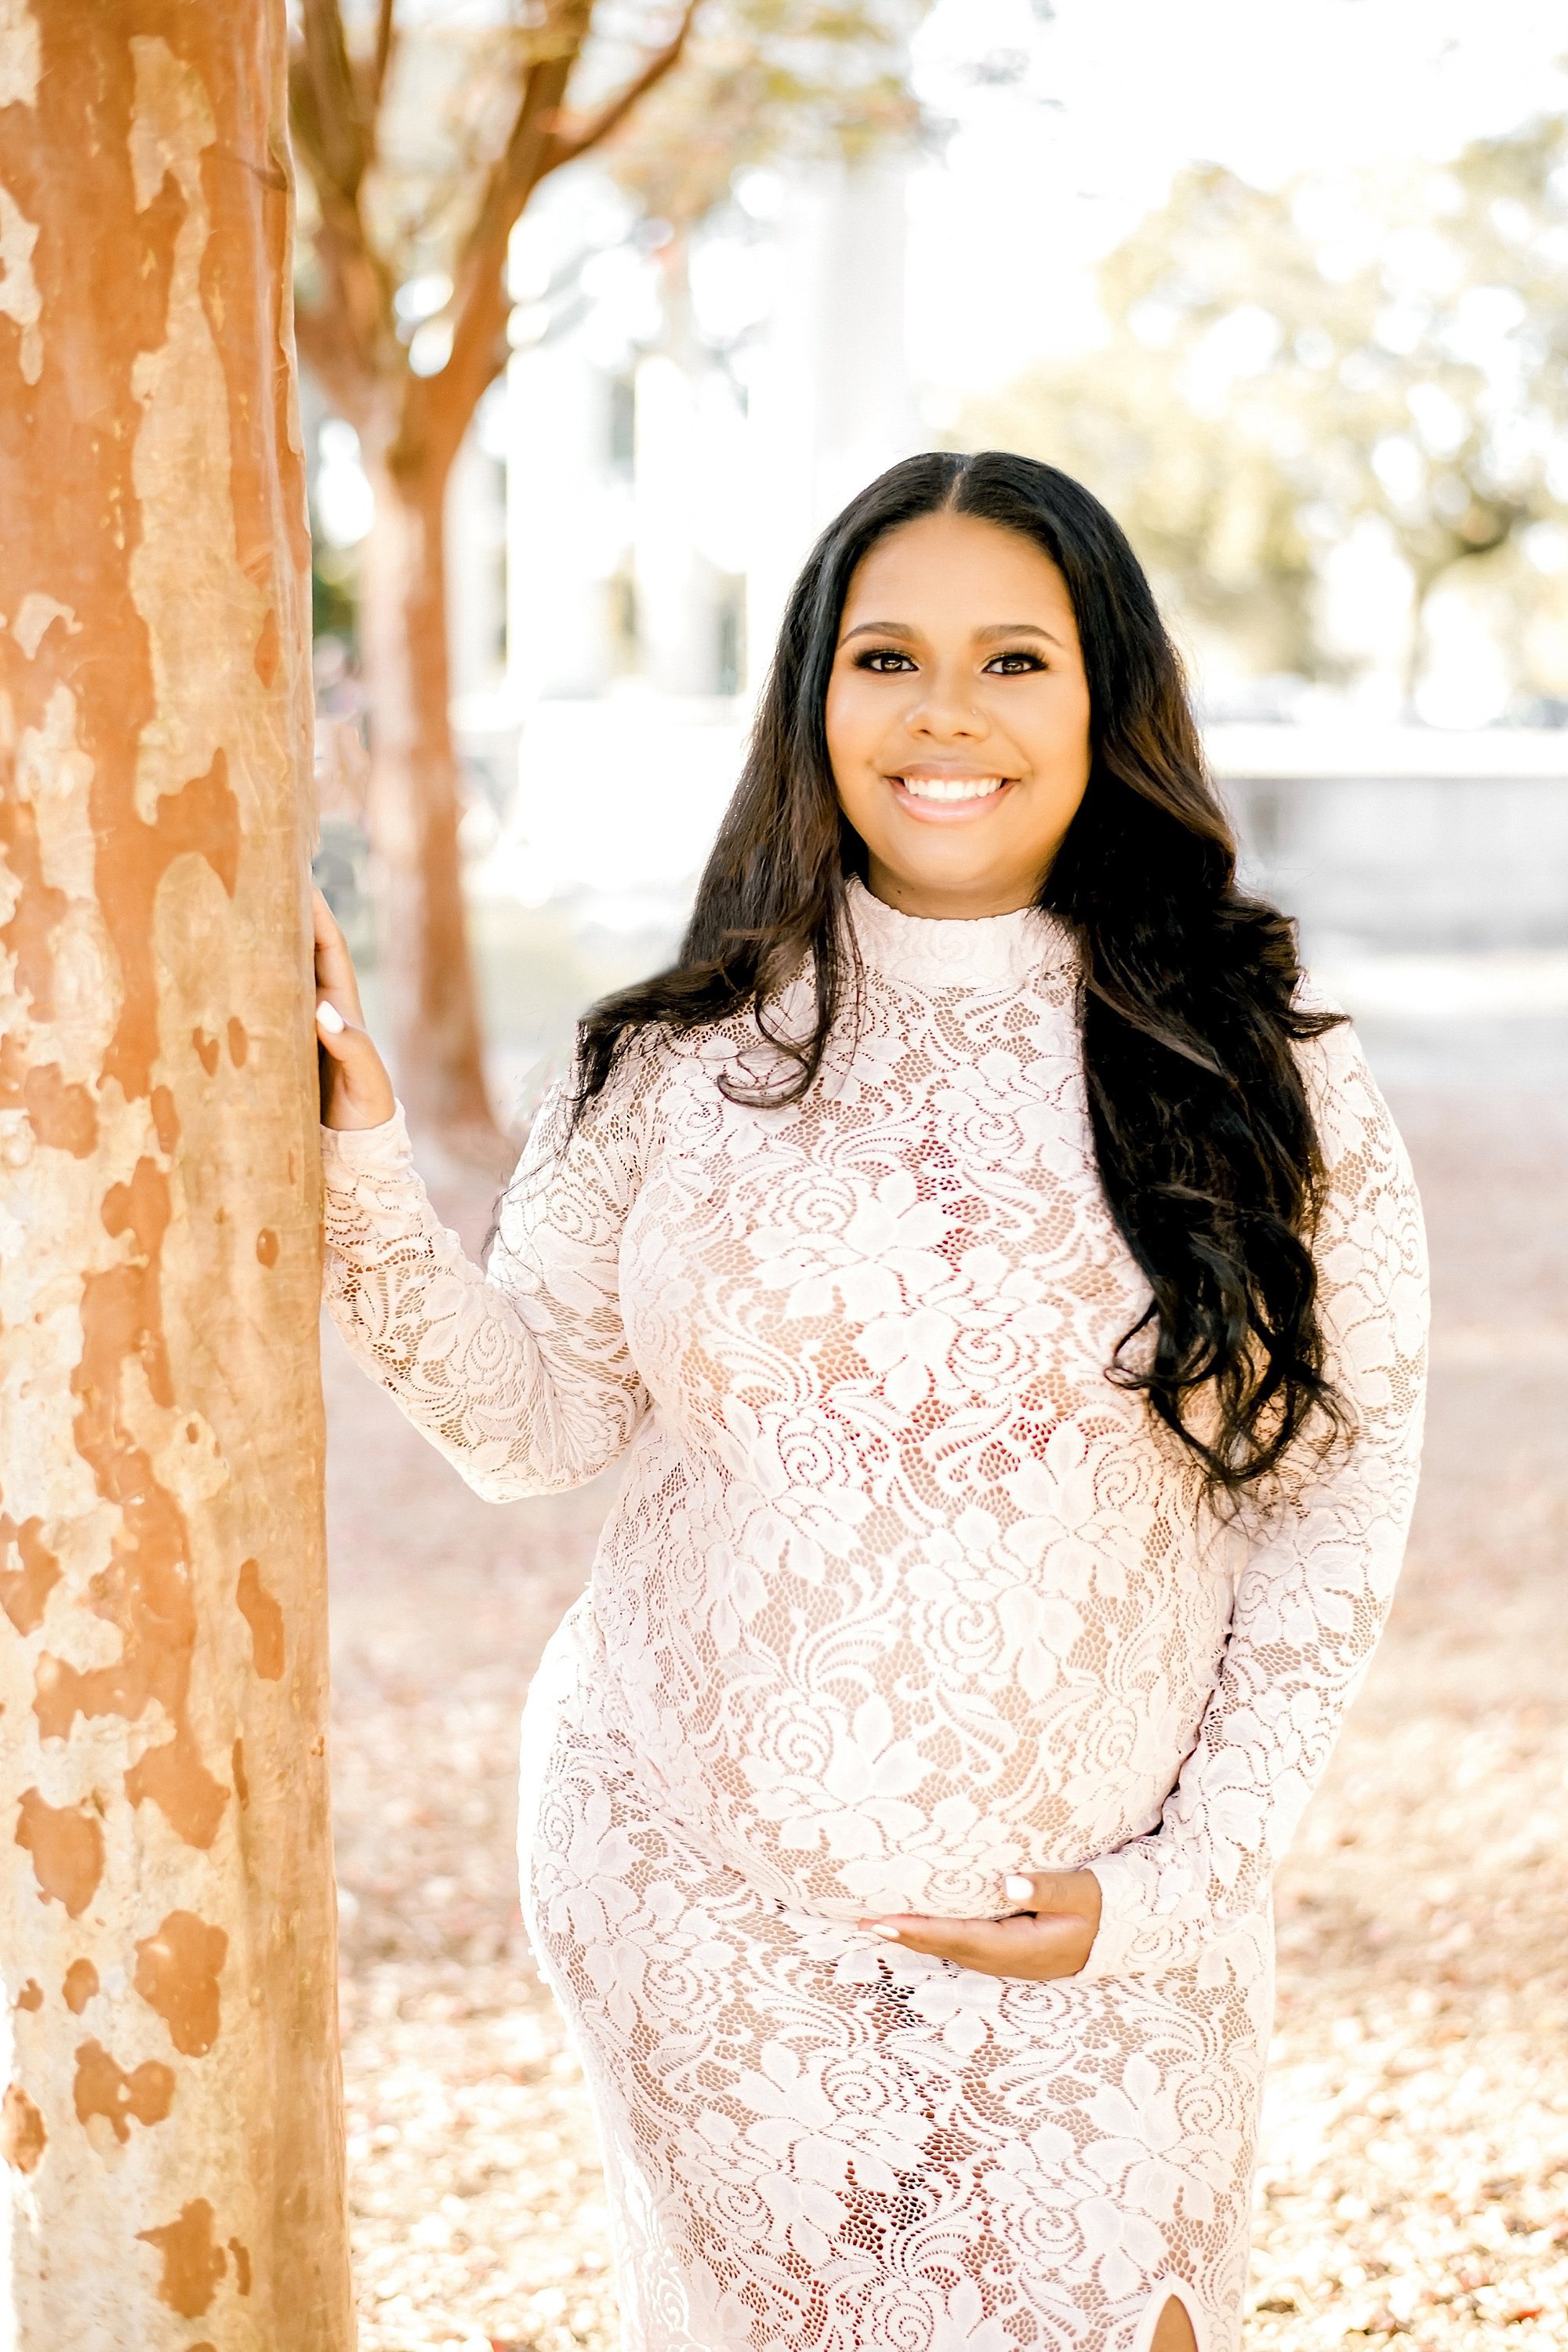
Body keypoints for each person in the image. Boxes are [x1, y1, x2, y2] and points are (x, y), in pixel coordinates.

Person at [313, 452, 1428, 2352]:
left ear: (1107, 703)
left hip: (1096, 1927)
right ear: (813, 698)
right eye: (885, 656)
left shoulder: (1254, 1068)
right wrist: (357, 1170)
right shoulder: (671, 1066)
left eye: (1015, 662)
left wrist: (1173, 1890)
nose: (944, 717)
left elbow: (1334, 1493)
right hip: (700, 1901)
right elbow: (533, 1430)